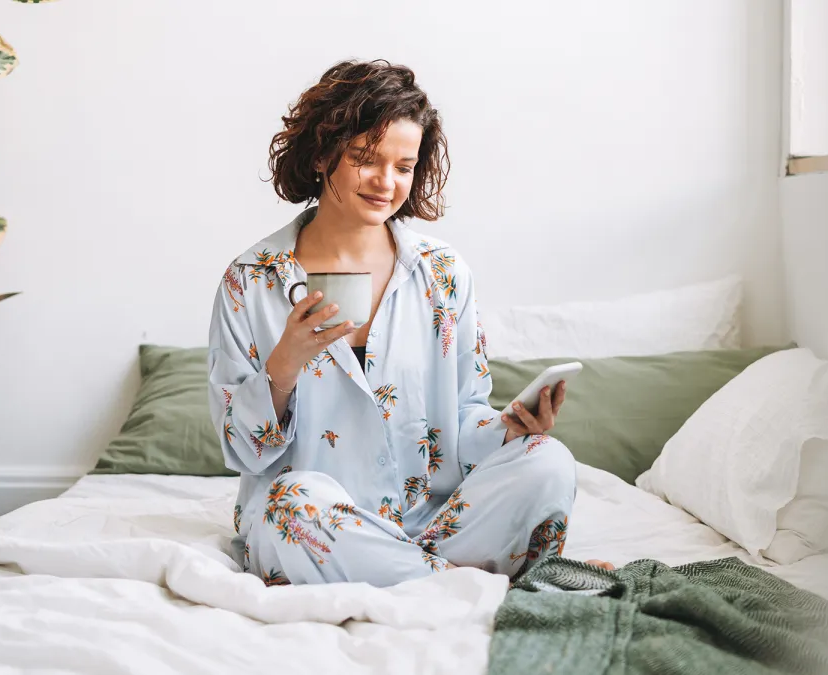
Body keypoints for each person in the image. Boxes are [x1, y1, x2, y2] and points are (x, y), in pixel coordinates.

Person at [208, 59, 611, 587]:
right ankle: (481, 580)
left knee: (547, 461)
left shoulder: (443, 273)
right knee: (292, 505)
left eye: (404, 166)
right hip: (317, 522)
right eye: (365, 159)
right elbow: (242, 450)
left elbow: (464, 415)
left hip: (430, 523)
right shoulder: (250, 282)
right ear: (324, 154)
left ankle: (409, 572)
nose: (386, 182)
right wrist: (282, 369)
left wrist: (506, 428)